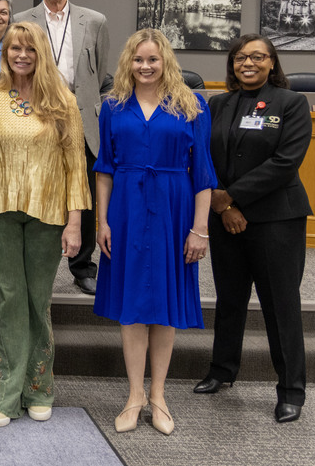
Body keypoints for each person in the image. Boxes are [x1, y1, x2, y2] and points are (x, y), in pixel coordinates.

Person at [0, 21, 90, 427]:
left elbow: (76, 165)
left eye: (30, 49)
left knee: (38, 300)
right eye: (15, 48)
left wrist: (74, 224)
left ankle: (39, 388)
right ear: (5, 52)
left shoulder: (63, 100)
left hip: (48, 213)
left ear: (41, 53)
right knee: (8, 298)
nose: (21, 56)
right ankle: (5, 392)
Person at [93, 29, 215, 436]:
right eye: (138, 60)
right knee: (132, 305)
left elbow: (203, 175)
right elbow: (105, 169)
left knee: (164, 304)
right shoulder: (112, 106)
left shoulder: (192, 104)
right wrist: (102, 220)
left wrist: (200, 230)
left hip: (173, 208)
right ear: (128, 62)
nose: (145, 67)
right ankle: (134, 396)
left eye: (153, 60)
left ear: (166, 62)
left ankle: (159, 395)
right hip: (126, 206)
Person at [194, 34, 312, 424]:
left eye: (258, 57)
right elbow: (205, 156)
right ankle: (222, 370)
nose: (248, 63)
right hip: (224, 216)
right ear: (231, 64)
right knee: (229, 298)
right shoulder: (218, 103)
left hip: (277, 219)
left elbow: (285, 162)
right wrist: (221, 203)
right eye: (241, 57)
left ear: (272, 63)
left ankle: (291, 390)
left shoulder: (292, 104)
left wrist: (232, 200)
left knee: (281, 306)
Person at [14, 0, 110, 295]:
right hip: (36, 113)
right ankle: (34, 257)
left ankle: (82, 266)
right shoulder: (22, 20)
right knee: (36, 184)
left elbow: (99, 70)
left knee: (80, 189)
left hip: (80, 115)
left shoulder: (94, 21)